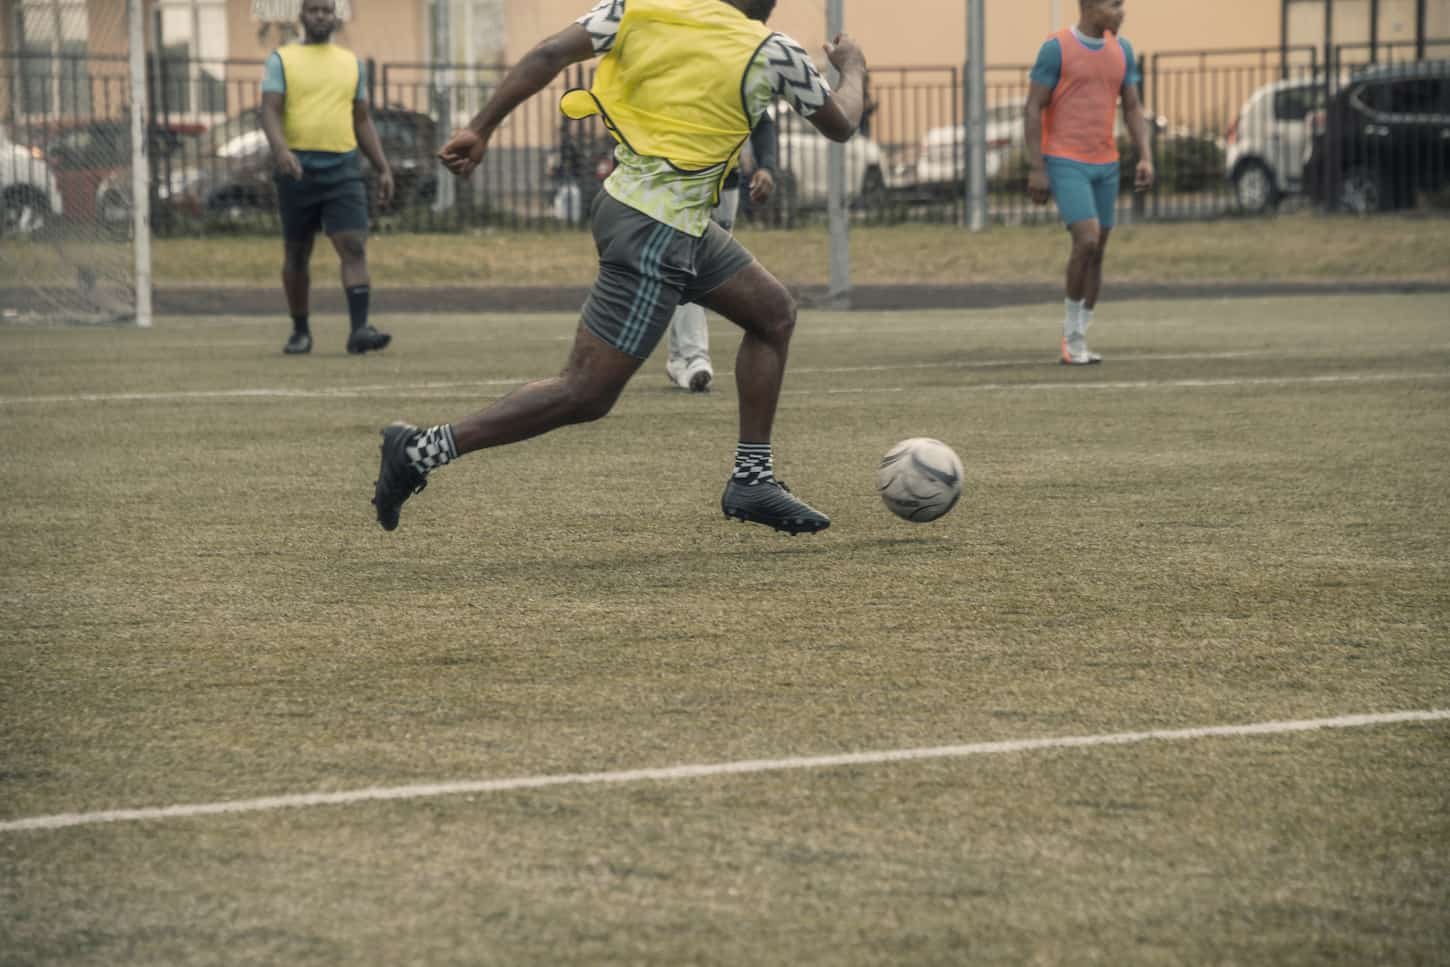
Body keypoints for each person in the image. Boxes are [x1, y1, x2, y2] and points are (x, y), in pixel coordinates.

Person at [371, 0, 868, 536]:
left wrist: (481, 128)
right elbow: (840, 123)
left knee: (773, 314)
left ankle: (752, 478)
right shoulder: (775, 52)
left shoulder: (640, 9)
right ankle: (419, 450)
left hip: (649, 212)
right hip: (657, 228)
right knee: (585, 392)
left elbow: (548, 52)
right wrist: (855, 66)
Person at [260, 0, 393, 356]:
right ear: (301, 16)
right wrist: (281, 150)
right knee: (297, 253)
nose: (321, 16)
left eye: (326, 10)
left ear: (336, 16)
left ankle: (360, 330)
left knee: (353, 246)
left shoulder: (351, 64)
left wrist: (381, 165)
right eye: (314, 10)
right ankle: (300, 331)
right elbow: (270, 110)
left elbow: (362, 119)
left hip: (343, 169)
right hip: (297, 169)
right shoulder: (282, 59)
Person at [1023, 0, 1153, 365]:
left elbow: (1131, 106)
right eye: (1114, 4)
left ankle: (1081, 334)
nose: (1121, 11)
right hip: (1065, 159)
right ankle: (1071, 336)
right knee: (1087, 239)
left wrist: (1145, 156)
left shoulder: (1123, 50)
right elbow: (1033, 106)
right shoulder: (1056, 49)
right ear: (1090, 6)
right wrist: (1037, 167)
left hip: (1106, 163)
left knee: (1099, 250)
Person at [664, 112, 778, 393]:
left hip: (726, 183)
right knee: (688, 264)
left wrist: (766, 167)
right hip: (680, 179)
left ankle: (679, 358)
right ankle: (694, 356)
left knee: (701, 270)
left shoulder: (739, 71)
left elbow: (762, 121)